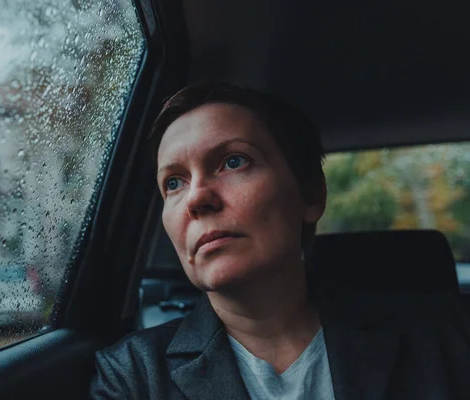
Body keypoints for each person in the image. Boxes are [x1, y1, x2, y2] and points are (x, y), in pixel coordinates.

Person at [89, 82, 470, 399]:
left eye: (233, 161)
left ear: (310, 196)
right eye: (174, 182)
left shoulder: (447, 337)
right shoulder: (132, 377)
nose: (196, 198)